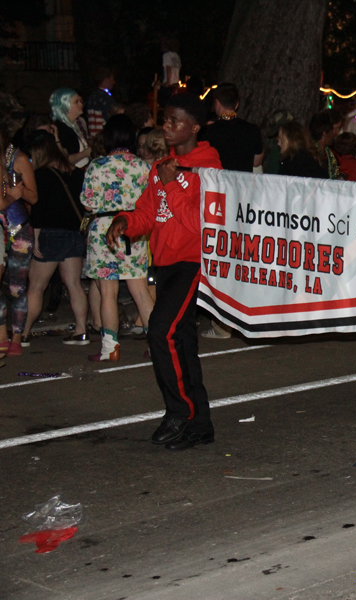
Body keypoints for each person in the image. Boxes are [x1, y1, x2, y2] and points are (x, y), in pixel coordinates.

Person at [105, 93, 222, 451]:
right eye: (165, 119)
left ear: (195, 127)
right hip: (165, 262)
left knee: (160, 330)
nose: (166, 126)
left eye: (175, 121)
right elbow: (148, 214)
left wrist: (172, 184)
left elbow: (201, 223)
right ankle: (199, 423)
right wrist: (125, 221)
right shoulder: (162, 166)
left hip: (192, 261)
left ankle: (179, 411)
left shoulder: (207, 165)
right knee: (182, 342)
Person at [81, 115, 154, 361]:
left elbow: (88, 202)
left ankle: (110, 348)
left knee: (107, 292)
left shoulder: (97, 165)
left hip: (105, 230)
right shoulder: (144, 167)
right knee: (141, 291)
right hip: (135, 229)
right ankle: (157, 345)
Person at [21, 131, 89, 347]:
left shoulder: (41, 175)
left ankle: (23, 333)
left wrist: (36, 238)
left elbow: (39, 210)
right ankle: (81, 330)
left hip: (50, 234)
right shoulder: (77, 173)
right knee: (74, 284)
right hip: (74, 233)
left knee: (37, 286)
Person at [0, 128, 38, 357]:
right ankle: (2, 335)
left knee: (16, 287)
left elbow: (34, 197)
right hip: (0, 228)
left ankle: (16, 337)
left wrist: (16, 191)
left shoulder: (18, 158)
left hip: (17, 230)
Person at [202, 83, 264, 173]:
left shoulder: (209, 130)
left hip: (217, 183)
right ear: (236, 105)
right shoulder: (252, 129)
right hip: (242, 183)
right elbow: (256, 162)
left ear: (217, 103)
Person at [50, 87, 92, 169]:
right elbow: (62, 159)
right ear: (65, 106)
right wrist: (84, 154)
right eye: (76, 102)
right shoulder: (60, 129)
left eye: (81, 101)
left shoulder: (75, 124)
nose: (81, 104)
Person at [85, 67, 117, 138]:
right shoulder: (106, 98)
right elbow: (111, 120)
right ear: (106, 80)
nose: (114, 82)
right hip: (103, 137)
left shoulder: (92, 96)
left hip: (94, 138)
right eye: (112, 79)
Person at [309, 112, 340, 179]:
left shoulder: (331, 155)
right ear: (325, 133)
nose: (334, 134)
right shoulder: (310, 156)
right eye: (332, 130)